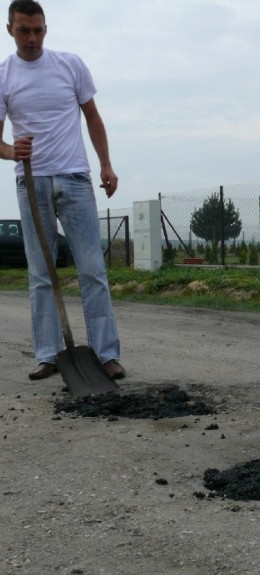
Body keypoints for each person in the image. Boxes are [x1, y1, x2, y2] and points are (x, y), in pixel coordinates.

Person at [0, 0, 124, 381]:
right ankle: (48, 355)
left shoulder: (70, 64)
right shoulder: (3, 75)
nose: (33, 38)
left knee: (92, 269)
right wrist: (10, 151)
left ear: (45, 28)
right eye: (24, 30)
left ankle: (106, 355)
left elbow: (93, 117)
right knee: (41, 274)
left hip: (74, 178)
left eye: (38, 30)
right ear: (10, 30)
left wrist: (105, 164)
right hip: (32, 182)